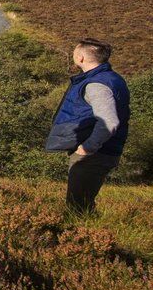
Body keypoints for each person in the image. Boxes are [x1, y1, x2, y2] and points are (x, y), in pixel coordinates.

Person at [44, 38, 130, 215]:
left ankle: (84, 238)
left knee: (77, 207)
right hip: (102, 150)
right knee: (83, 202)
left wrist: (87, 148)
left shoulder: (96, 84)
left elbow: (109, 121)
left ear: (81, 57)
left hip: (95, 153)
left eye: (75, 52)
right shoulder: (111, 78)